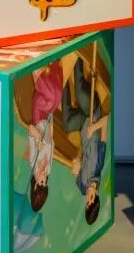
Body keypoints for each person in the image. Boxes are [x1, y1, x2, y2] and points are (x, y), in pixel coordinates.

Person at [61, 55, 108, 224]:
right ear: (96, 197)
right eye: (91, 199)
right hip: (92, 112)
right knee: (81, 93)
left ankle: (62, 80)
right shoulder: (99, 164)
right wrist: (94, 128)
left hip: (82, 124)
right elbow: (106, 121)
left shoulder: (81, 186)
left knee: (67, 124)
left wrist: (76, 160)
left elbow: (79, 154)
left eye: (86, 202)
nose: (88, 197)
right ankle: (77, 56)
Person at [26, 60, 64, 212]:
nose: (43, 180)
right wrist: (52, 118)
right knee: (57, 96)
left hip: (38, 117)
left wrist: (39, 139)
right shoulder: (48, 169)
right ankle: (50, 68)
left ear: (35, 184)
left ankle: (39, 73)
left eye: (40, 183)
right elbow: (52, 141)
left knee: (50, 100)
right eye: (45, 184)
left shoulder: (33, 162)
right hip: (47, 118)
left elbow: (30, 128)